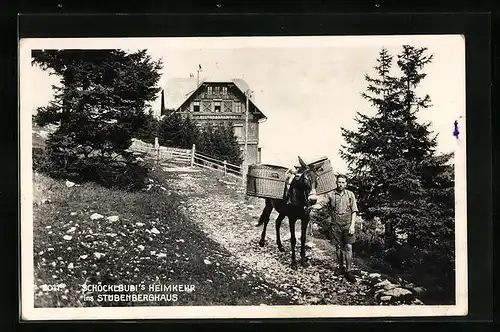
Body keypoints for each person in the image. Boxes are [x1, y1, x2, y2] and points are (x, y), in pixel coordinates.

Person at [312, 174, 359, 283]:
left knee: (348, 247)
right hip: (335, 225)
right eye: (339, 182)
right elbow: (321, 204)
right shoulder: (331, 194)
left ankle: (348, 271)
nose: (341, 184)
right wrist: (312, 206)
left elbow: (354, 211)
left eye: (343, 182)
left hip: (347, 224)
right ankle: (340, 267)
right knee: (338, 247)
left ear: (346, 183)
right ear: (336, 183)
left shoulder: (350, 195)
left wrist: (352, 225)